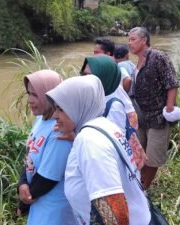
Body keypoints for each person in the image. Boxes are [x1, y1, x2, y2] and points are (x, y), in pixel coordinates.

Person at [46, 75, 151, 225]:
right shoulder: (104, 125)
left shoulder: (90, 141)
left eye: (61, 109)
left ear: (79, 106)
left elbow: (115, 213)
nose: (55, 115)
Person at [17, 70, 74, 225]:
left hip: (54, 210)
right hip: (39, 204)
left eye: (35, 95)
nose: (29, 100)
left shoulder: (59, 129)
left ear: (52, 95)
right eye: (28, 93)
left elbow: (48, 178)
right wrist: (22, 182)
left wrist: (24, 202)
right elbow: (30, 154)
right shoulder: (40, 119)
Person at [128, 27, 180, 190]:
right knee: (139, 152)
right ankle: (138, 182)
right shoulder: (138, 61)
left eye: (133, 39)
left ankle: (144, 188)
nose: (130, 43)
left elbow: (171, 83)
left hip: (157, 117)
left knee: (153, 157)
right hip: (141, 118)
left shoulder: (158, 56)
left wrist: (170, 107)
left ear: (144, 40)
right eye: (129, 40)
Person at [80, 55, 146, 169]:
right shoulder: (97, 95)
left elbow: (114, 144)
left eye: (90, 76)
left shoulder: (112, 107)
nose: (85, 79)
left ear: (104, 77)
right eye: (83, 74)